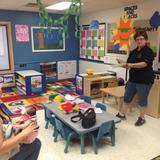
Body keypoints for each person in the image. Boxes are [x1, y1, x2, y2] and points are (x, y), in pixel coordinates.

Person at [116, 29, 155, 126]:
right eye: (137, 39)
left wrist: (131, 65)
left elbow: (144, 64)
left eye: (141, 39)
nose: (139, 41)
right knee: (127, 97)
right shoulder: (133, 52)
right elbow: (129, 64)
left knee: (142, 100)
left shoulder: (148, 51)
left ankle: (142, 118)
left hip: (144, 80)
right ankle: (122, 114)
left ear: (145, 40)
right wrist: (123, 64)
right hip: (133, 79)